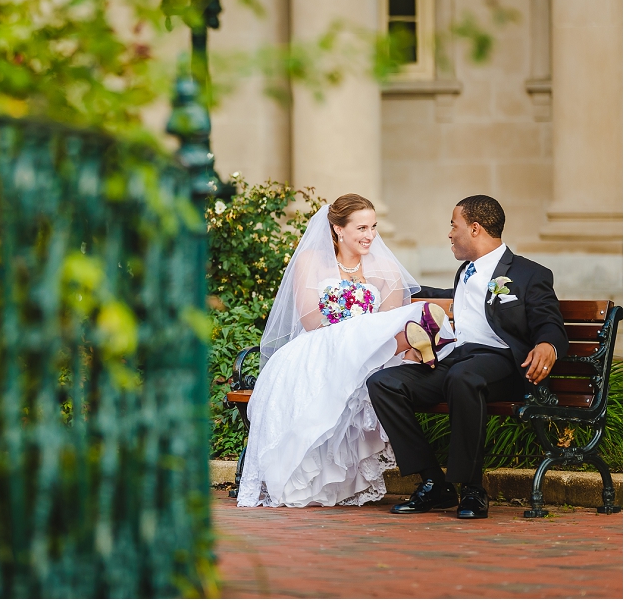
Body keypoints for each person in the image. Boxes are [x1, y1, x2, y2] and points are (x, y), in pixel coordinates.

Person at [236, 194, 454, 508]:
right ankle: (416, 345)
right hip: (323, 344)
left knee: (409, 318)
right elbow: (310, 320)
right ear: (338, 229)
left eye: (374, 227)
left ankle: (417, 342)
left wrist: (373, 331)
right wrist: (348, 315)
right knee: (374, 333)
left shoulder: (385, 267)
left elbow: (389, 320)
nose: (370, 235)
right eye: (361, 228)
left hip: (372, 350)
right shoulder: (311, 260)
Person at [366, 195, 568, 519]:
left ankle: (472, 489)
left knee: (464, 378)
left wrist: (547, 345)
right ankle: (434, 483)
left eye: (453, 225)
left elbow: (550, 323)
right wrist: (398, 290)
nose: (449, 233)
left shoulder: (530, 274)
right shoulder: (465, 272)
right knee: (383, 383)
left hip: (500, 362)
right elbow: (456, 300)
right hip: (458, 358)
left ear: (474, 229)